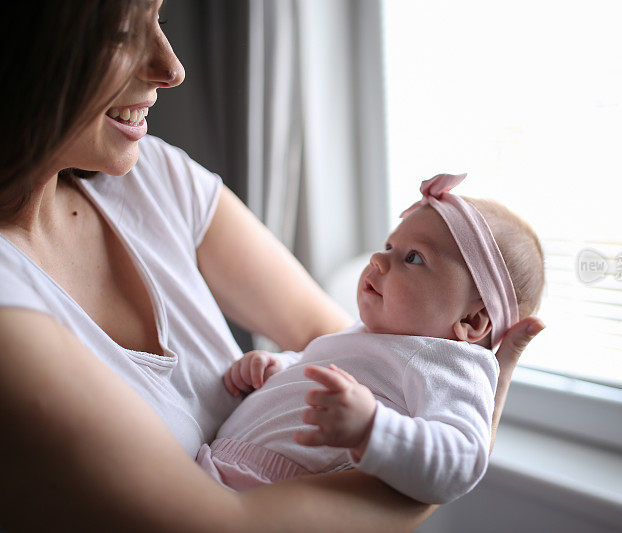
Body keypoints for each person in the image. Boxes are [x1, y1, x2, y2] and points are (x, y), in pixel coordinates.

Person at [0, 1, 544, 530]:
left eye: (159, 18)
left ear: (472, 323)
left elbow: (348, 356)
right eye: (122, 31)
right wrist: (438, 445)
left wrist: (350, 409)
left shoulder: (152, 177)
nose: (172, 68)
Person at [198, 174, 545, 505]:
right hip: (221, 470)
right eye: (389, 246)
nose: (378, 259)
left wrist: (372, 428)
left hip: (268, 492)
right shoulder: (375, 336)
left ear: (471, 320)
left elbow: (464, 458)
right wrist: (279, 366)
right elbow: (323, 365)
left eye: (413, 258)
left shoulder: (451, 364)